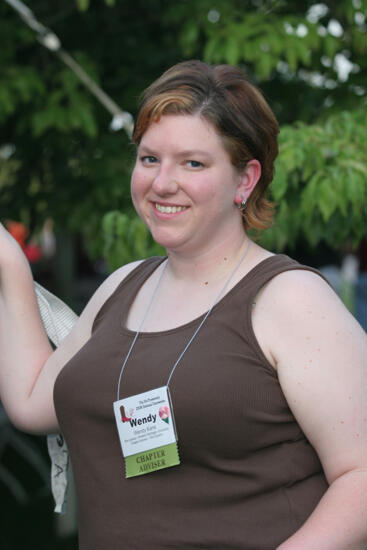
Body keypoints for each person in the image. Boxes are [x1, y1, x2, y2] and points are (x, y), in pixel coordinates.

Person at [0, 60, 367, 550]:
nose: (162, 183)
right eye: (149, 158)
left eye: (192, 163)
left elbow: (360, 476)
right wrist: (8, 263)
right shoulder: (123, 285)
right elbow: (31, 403)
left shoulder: (290, 299)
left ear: (245, 180)